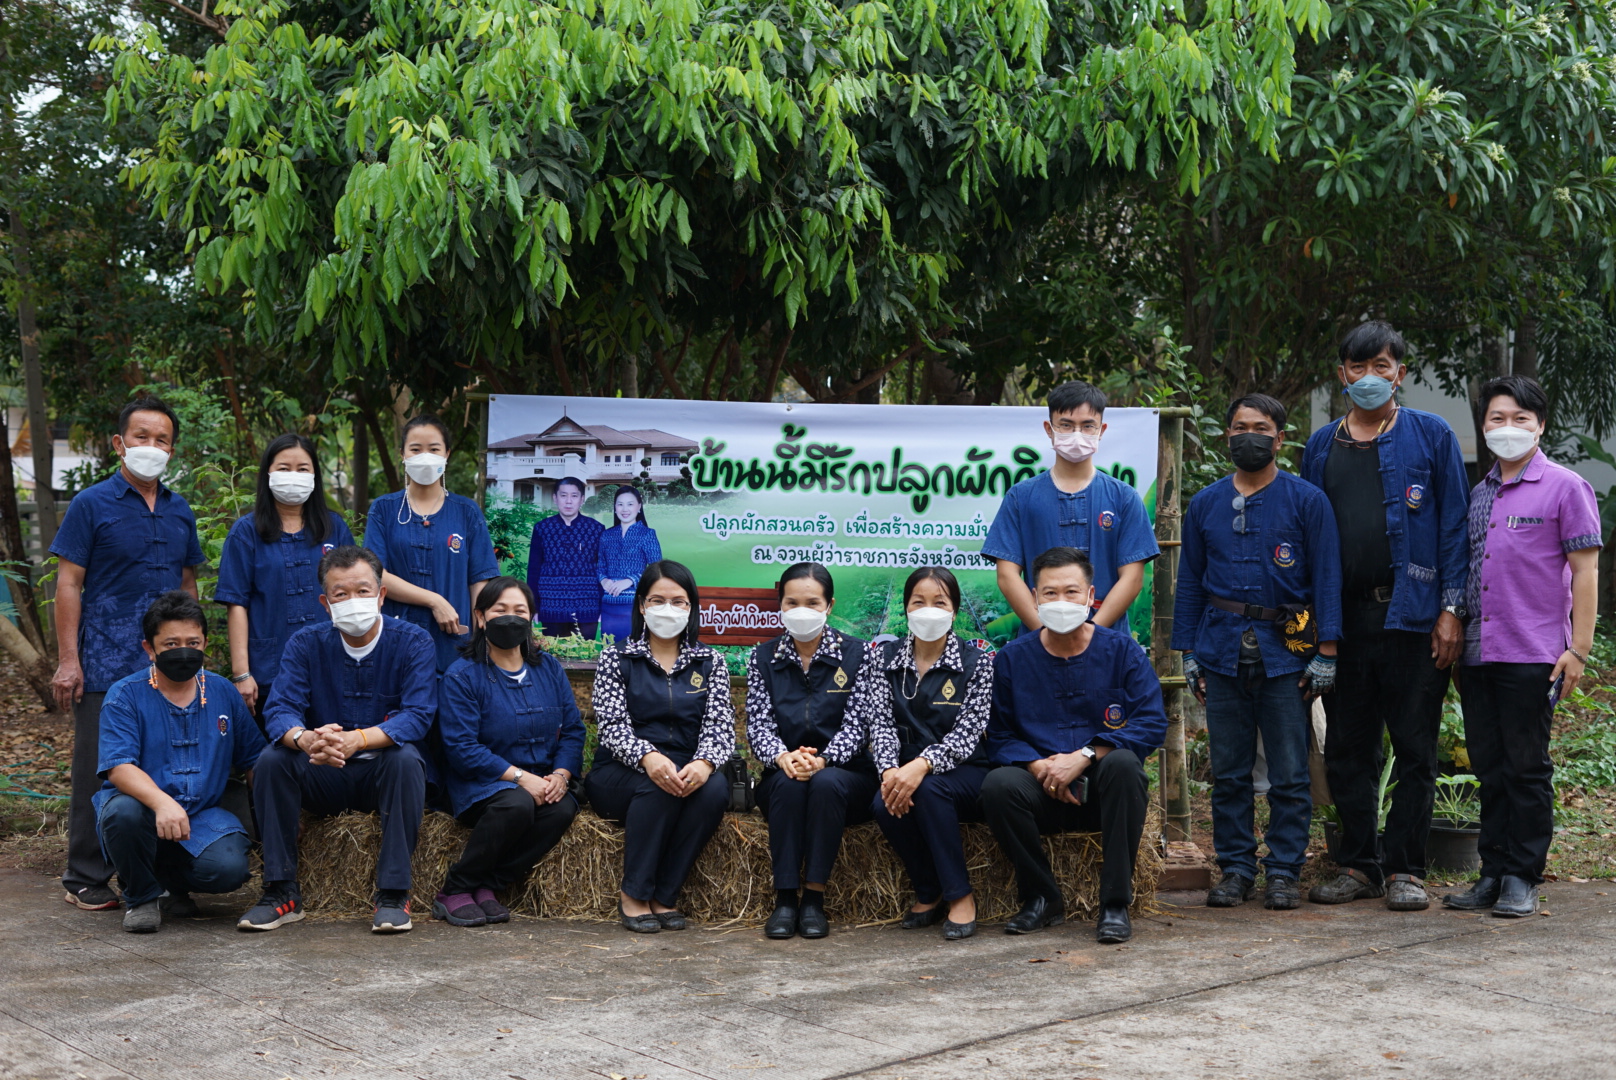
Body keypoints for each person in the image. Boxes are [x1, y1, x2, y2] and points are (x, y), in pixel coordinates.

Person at [1301, 321, 1470, 912]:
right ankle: (1358, 864)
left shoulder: (1432, 435)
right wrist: (1312, 629)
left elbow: (1454, 527)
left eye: (1381, 365)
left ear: (1400, 371)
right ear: (1341, 373)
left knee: (1415, 745)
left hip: (1415, 617)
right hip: (1342, 624)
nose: (1369, 377)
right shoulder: (1321, 445)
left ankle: (1405, 868)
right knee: (1349, 748)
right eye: (1357, 366)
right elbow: (1309, 537)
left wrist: (1452, 610)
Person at [1174, 395, 1343, 911]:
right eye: (1240, 427)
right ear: (1227, 437)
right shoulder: (1205, 504)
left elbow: (1327, 579)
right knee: (1229, 772)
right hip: (1221, 650)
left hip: (1286, 653)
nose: (1250, 435)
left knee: (1290, 773)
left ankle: (1284, 871)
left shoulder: (1307, 501)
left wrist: (1326, 653)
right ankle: (1237, 868)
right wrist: (1189, 652)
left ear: (1280, 438)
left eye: (1261, 428)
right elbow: (1190, 586)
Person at [1444, 375, 1601, 918]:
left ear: (1540, 426)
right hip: (1479, 653)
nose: (1507, 429)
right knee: (1489, 765)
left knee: (1526, 767)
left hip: (1533, 651)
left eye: (1520, 420)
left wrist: (1578, 650)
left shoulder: (1565, 487)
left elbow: (1585, 573)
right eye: (1497, 419)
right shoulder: (1481, 491)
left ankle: (1523, 876)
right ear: (1483, 426)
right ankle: (1492, 871)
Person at [49, 394, 205, 912]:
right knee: (98, 765)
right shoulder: (91, 504)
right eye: (141, 436)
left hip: (169, 666)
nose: (151, 447)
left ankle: (156, 872)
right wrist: (69, 659)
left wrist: (194, 652)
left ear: (172, 450)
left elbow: (187, 585)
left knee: (163, 766)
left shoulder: (181, 510)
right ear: (120, 443)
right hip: (106, 661)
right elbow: (69, 584)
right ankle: (86, 875)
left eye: (162, 440)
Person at [242, 545, 438, 934]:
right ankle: (281, 891)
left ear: (381, 595)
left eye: (363, 591)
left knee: (406, 759)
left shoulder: (414, 642)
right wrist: (306, 739)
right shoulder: (304, 643)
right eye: (340, 594)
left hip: (380, 775)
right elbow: (279, 710)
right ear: (324, 602)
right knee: (271, 760)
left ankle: (394, 894)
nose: (353, 601)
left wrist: (359, 740)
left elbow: (417, 716)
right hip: (321, 771)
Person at [982, 546, 1163, 944]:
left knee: (1125, 765)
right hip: (1042, 791)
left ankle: (1115, 904)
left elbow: (1151, 724)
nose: (1061, 602)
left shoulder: (1123, 651)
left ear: (1090, 595)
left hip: (1103, 794)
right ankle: (1042, 898)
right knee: (998, 786)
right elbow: (999, 734)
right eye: (1049, 593)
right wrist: (1036, 765)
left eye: (1071, 592)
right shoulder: (1012, 659)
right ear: (1033, 597)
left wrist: (1084, 756)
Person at [95, 591, 266, 933]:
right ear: (150, 648)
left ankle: (172, 883)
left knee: (230, 869)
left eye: (193, 642)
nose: (183, 651)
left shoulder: (222, 692)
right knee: (123, 814)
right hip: (141, 809)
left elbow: (254, 759)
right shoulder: (124, 695)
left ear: (205, 644)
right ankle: (142, 896)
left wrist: (278, 813)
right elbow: (119, 766)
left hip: (202, 814)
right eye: (171, 643)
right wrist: (162, 802)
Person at [583, 560, 734, 933]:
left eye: (679, 601)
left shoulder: (711, 661)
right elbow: (613, 727)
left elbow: (720, 727)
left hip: (687, 764)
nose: (668, 609)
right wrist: (648, 757)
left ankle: (665, 894)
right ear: (641, 606)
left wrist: (705, 764)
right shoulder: (617, 658)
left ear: (691, 607)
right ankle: (634, 893)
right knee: (659, 784)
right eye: (657, 599)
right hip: (620, 772)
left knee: (714, 790)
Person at [435, 577, 585, 927]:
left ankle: (490, 884)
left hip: (542, 779)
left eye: (520, 611)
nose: (510, 618)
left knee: (562, 807)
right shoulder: (462, 676)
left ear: (531, 618)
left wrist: (561, 775)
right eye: (500, 610)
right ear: (481, 617)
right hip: (483, 785)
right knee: (516, 803)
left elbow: (574, 730)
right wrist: (520, 778)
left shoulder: (547, 668)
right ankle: (455, 889)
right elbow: (461, 747)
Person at [745, 562, 882, 940]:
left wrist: (823, 760)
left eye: (812, 601)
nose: (801, 610)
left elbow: (860, 724)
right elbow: (757, 723)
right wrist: (784, 757)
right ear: (780, 605)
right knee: (789, 786)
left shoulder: (859, 655)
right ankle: (786, 899)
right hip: (783, 771)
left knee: (824, 784)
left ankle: (814, 900)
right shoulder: (763, 657)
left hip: (846, 774)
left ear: (829, 605)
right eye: (792, 602)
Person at [868, 566, 993, 940]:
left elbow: (968, 734)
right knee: (881, 803)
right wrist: (890, 770)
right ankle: (928, 888)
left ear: (954, 611)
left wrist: (921, 766)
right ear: (905, 609)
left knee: (928, 789)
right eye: (918, 602)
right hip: (904, 767)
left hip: (964, 771)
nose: (928, 610)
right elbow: (880, 724)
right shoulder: (883, 659)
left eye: (939, 602)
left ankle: (960, 896)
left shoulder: (977, 663)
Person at [983, 380, 1159, 638]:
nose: (1077, 434)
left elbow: (1132, 578)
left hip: (1108, 643)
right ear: (1049, 428)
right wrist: (1044, 633)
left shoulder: (1124, 498)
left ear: (1102, 430)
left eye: (1088, 425)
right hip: (1037, 642)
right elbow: (1007, 574)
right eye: (1066, 425)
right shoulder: (1021, 497)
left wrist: (1093, 634)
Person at [215, 433, 355, 717]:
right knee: (275, 756)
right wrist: (242, 674)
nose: (294, 476)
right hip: (268, 672)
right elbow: (236, 603)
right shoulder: (246, 533)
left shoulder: (335, 529)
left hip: (332, 667)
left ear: (315, 475)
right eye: (283, 468)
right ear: (268, 472)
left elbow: (353, 594)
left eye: (302, 469)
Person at [365, 414, 500, 673]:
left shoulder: (466, 511)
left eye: (434, 449)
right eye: (415, 449)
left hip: (454, 645)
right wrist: (435, 601)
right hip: (396, 638)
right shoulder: (384, 509)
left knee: (455, 709)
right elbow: (375, 575)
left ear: (446, 454)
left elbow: (479, 581)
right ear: (402, 455)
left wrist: (480, 639)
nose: (424, 456)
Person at [526, 476, 605, 638]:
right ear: (555, 498)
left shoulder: (596, 529)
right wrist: (533, 606)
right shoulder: (542, 528)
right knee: (553, 657)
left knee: (585, 657)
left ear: (582, 499)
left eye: (574, 496)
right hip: (551, 604)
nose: (568, 501)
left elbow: (603, 568)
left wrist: (602, 607)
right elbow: (534, 569)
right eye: (563, 495)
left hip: (587, 605)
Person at [596, 485, 662, 642]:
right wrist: (604, 580)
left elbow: (657, 570)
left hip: (634, 606)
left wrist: (630, 580)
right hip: (608, 605)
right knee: (610, 652)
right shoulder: (606, 535)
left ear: (639, 507)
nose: (624, 509)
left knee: (633, 653)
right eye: (620, 504)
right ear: (614, 508)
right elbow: (600, 566)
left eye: (630, 504)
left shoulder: (647, 534)